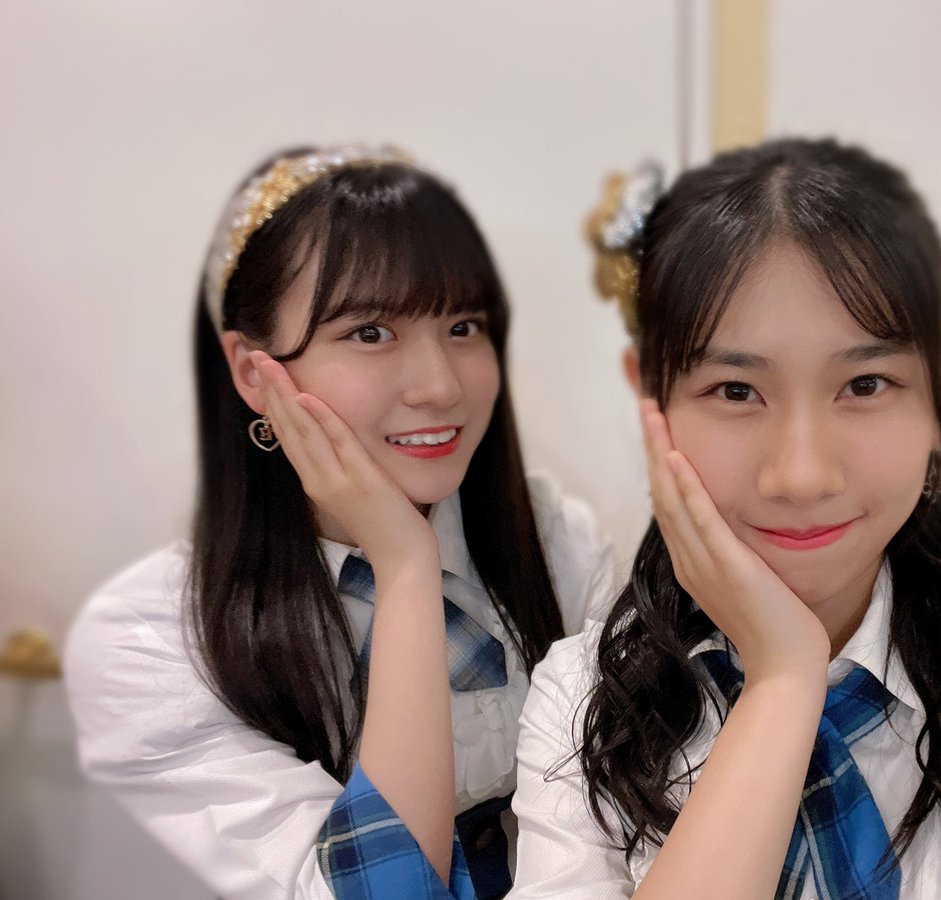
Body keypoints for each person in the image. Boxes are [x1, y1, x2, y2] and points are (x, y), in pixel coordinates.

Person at [509, 138, 941, 899]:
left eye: (865, 384)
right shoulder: (583, 706)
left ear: (940, 389)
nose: (802, 476)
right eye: (736, 391)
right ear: (652, 399)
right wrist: (782, 679)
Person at [65, 144, 614, 900]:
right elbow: (386, 890)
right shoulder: (152, 639)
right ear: (254, 372)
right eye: (370, 332)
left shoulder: (554, 541)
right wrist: (405, 566)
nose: (440, 386)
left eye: (463, 326)